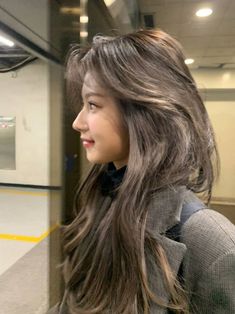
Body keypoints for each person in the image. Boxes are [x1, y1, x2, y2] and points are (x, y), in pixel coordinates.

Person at [48, 29, 235, 314]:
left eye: (93, 105)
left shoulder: (211, 241)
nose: (78, 122)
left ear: (144, 110)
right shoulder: (102, 200)